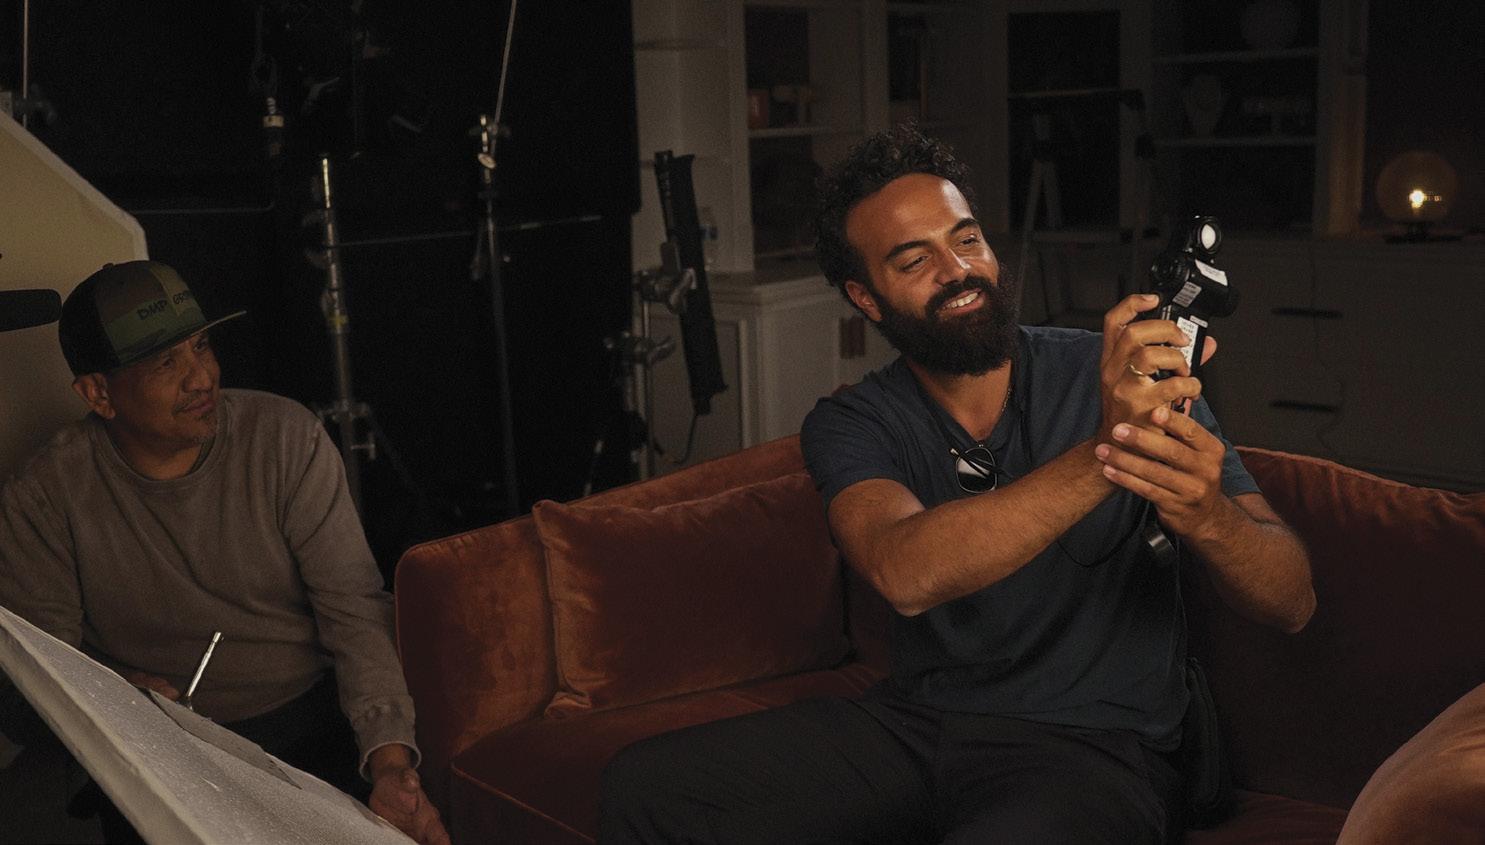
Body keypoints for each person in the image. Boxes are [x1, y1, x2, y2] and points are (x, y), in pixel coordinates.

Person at [598, 124, 1315, 843]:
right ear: (865, 297)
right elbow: (904, 570)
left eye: (966, 240)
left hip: (1095, 750)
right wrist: (1109, 449)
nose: (958, 270)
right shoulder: (855, 421)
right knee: (647, 787)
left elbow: (1292, 601)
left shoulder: (1117, 375)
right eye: (915, 260)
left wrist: (1208, 515)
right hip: (918, 726)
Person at [0, 260, 449, 845]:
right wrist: (119, 693)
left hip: (306, 723)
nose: (201, 377)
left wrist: (390, 764)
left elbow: (355, 609)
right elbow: (41, 674)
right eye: (166, 362)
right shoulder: (45, 495)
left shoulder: (284, 438)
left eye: (201, 346)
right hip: (162, 745)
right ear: (98, 393)